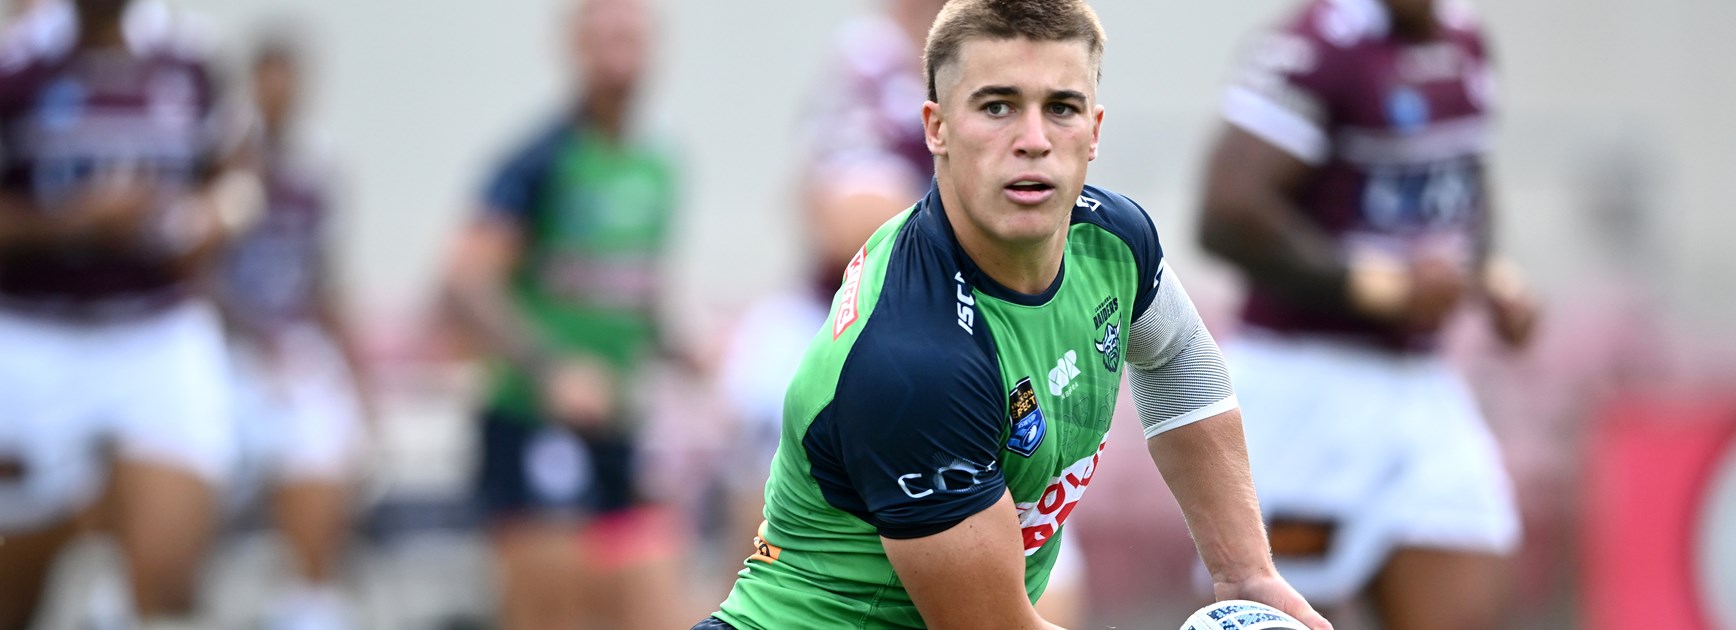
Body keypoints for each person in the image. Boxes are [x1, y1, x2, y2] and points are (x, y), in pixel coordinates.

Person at [698, 1, 1329, 628]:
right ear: (937, 127)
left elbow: (1178, 363)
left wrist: (1246, 575)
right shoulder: (915, 362)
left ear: (1095, 130)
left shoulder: (1113, 240)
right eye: (997, 107)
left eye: (1061, 108)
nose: (1033, 140)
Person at [713, 0, 1087, 624]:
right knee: (796, 561)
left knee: (1039, 572)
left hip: (990, 335)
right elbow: (846, 215)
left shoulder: (1025, 66)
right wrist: (977, 219)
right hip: (867, 336)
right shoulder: (878, 64)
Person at [1196, 0, 1535, 627]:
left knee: (1469, 577)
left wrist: (1489, 276)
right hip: (1303, 385)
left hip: (1421, 384)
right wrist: (1380, 287)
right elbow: (1227, 214)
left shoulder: (1465, 40)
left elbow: (1461, 174)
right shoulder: (1316, 48)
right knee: (1284, 617)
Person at [0, 0, 259, 627]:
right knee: (14, 594)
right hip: (34, 335)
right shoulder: (18, 61)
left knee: (169, 583)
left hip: (157, 329)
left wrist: (215, 218)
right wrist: (74, 222)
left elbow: (239, 176)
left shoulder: (190, 55)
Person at [440, 0, 684, 627]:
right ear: (575, 48)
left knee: (656, 600)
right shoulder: (539, 160)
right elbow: (465, 282)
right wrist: (552, 371)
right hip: (532, 424)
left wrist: (688, 347)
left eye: (631, 39)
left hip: (619, 428)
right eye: (604, 40)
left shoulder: (658, 165)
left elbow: (631, 290)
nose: (618, 58)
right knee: (550, 610)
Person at [215, 29, 369, 630]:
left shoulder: (318, 171)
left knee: (324, 439)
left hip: (295, 346)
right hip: (227, 347)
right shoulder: (221, 164)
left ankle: (309, 597)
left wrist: (358, 373)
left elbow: (326, 277)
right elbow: (194, 271)